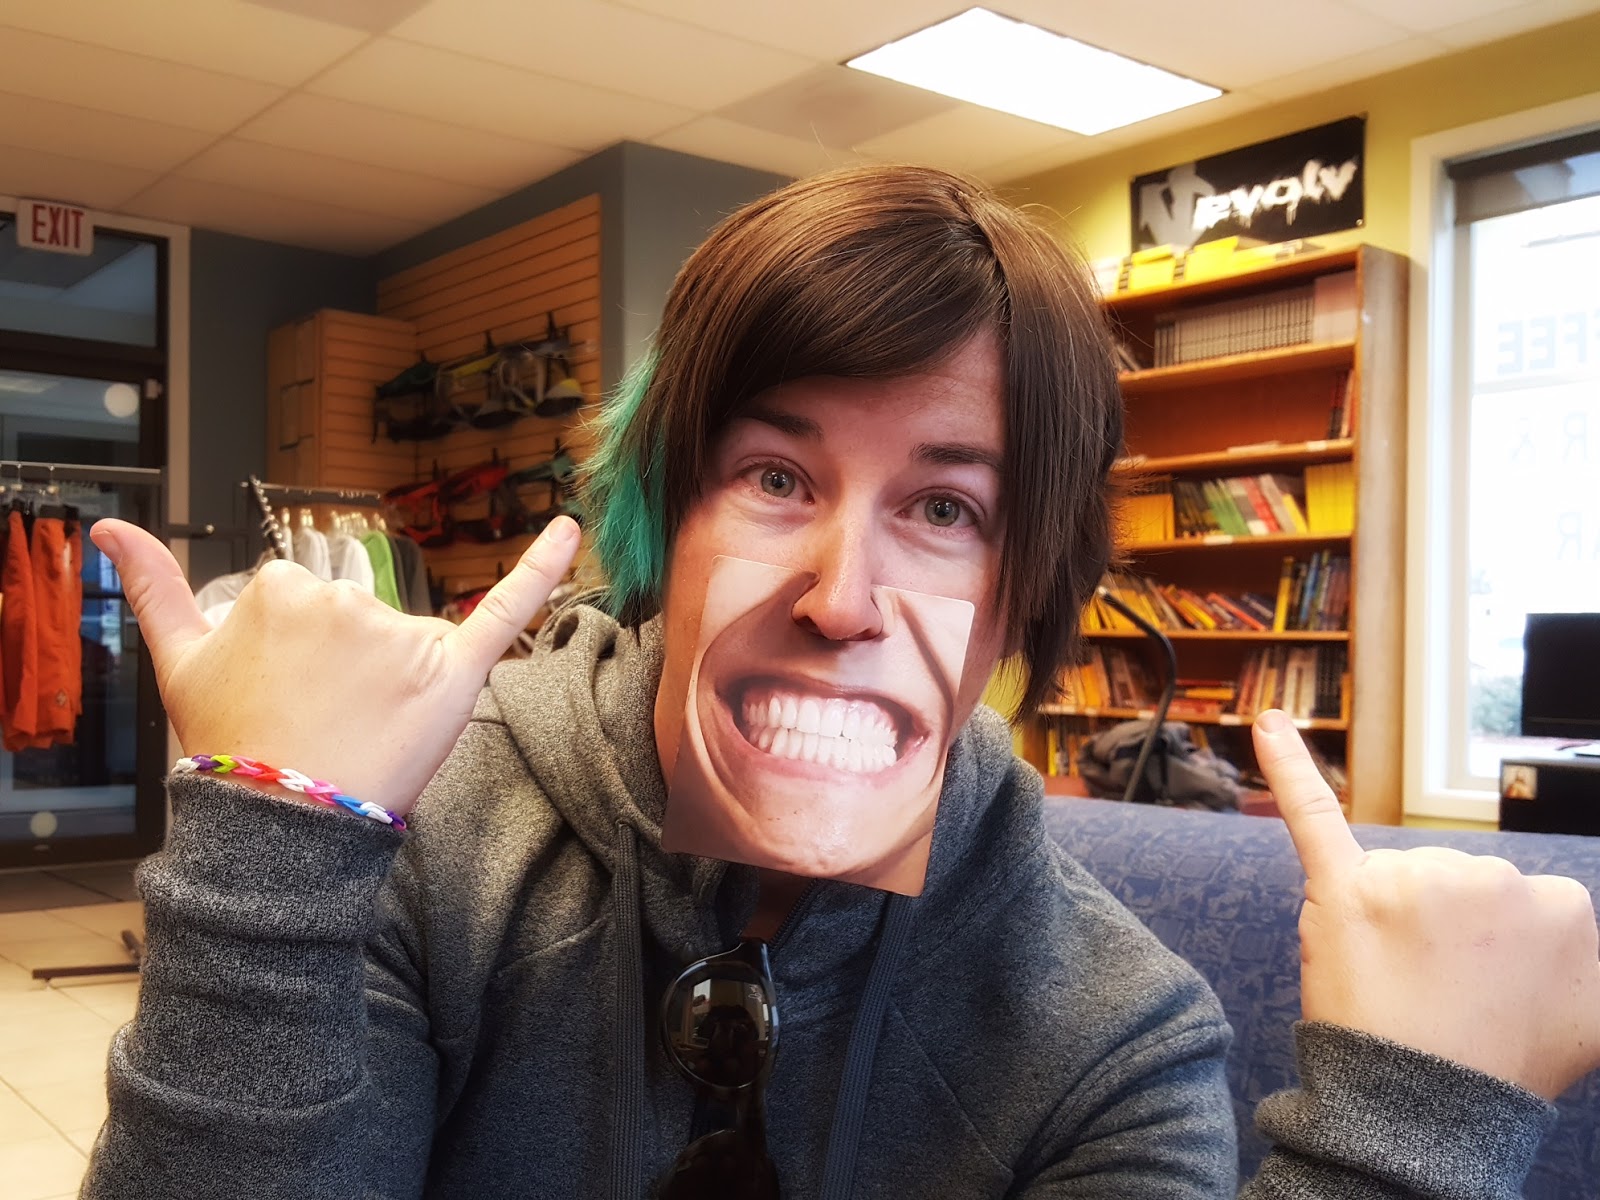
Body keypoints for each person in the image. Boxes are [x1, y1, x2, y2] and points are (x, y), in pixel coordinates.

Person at [83, 165, 1600, 1199]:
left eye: (945, 508)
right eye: (774, 476)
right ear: (662, 519)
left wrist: (1401, 1139)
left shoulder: (1115, 1037)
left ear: (1021, 597)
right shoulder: (427, 846)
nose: (842, 597)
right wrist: (272, 851)